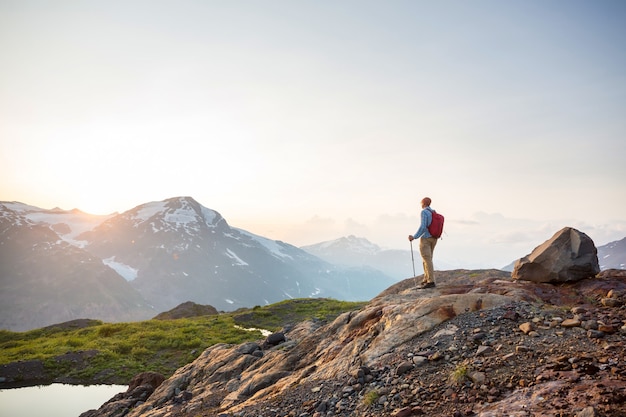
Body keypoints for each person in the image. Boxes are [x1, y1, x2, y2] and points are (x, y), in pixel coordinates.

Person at [408, 197, 437, 288]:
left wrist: (414, 236)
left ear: (423, 203)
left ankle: (430, 281)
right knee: (428, 258)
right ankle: (426, 278)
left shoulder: (424, 212)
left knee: (426, 259)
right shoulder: (433, 212)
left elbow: (423, 227)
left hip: (426, 238)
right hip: (434, 238)